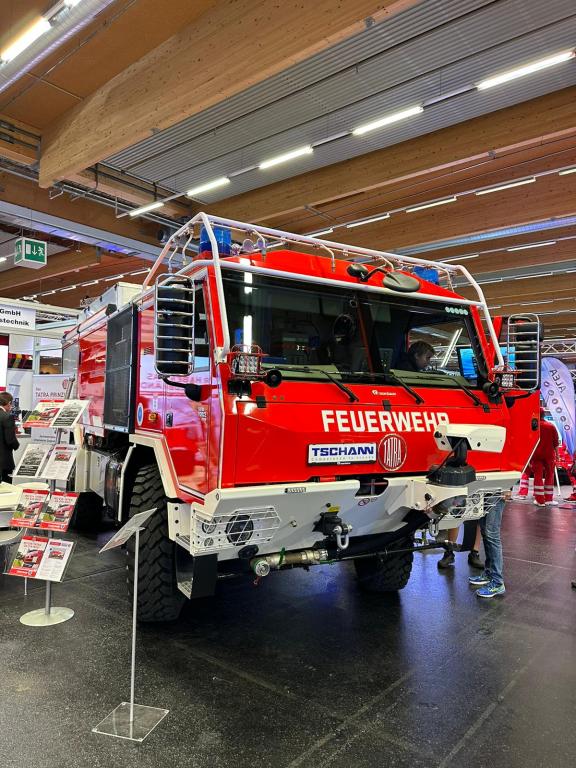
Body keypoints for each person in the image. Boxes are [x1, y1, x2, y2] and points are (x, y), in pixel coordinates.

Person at [469, 491, 509, 598]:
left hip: (497, 493)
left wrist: (508, 488)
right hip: (486, 491)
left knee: (492, 535)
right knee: (486, 532)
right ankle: (489, 574)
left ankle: (497, 582)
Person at [530, 409, 559, 507]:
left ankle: (540, 501)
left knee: (537, 476)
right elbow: (556, 443)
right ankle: (549, 499)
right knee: (549, 475)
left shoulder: (533, 427)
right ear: (544, 415)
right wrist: (557, 455)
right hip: (549, 455)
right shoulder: (551, 426)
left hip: (536, 455)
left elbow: (530, 442)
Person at [0, 392, 19, 483]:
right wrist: (16, 445)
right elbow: (10, 440)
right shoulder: (7, 417)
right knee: (6, 488)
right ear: (9, 403)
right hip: (4, 461)